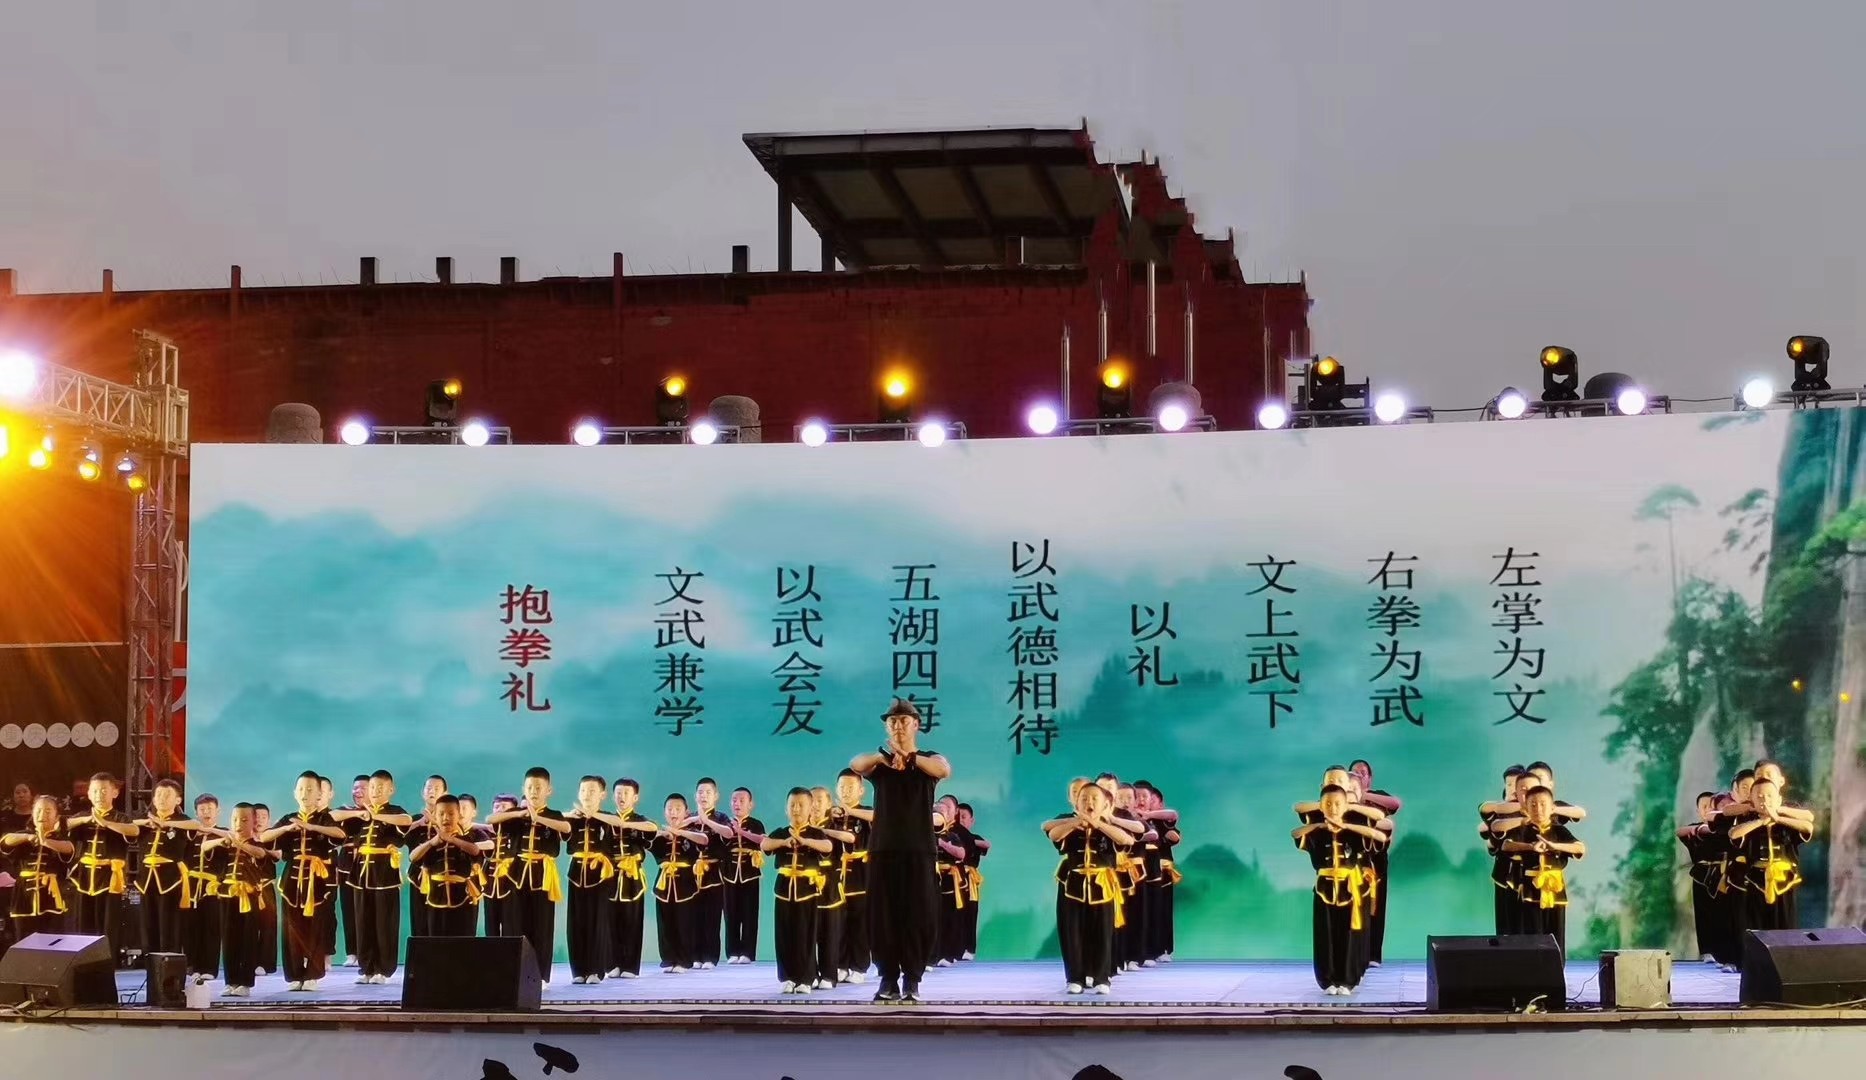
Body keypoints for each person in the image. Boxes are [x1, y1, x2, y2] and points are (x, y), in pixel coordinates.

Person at [849, 698, 952, 1004]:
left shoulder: (927, 761)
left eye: (904, 721)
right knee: (883, 916)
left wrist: (909, 756)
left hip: (920, 850)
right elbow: (856, 765)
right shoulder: (880, 765)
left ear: (916, 724)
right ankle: (888, 978)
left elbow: (943, 769)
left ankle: (912, 979)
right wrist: (884, 757)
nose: (898, 726)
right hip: (883, 849)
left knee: (918, 914)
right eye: (892, 722)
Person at [1292, 784, 1387, 996]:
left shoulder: (1354, 833)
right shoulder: (1316, 834)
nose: (1333, 808)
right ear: (1320, 806)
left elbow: (1379, 836)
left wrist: (1345, 825)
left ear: (1345, 806)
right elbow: (1295, 833)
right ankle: (1327, 979)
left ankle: (1347, 980)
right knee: (1325, 935)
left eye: (1337, 804)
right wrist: (1321, 825)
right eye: (1328, 804)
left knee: (1348, 935)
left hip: (1349, 889)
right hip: (1324, 889)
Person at [485, 768, 570, 984]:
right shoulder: (516, 815)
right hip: (516, 875)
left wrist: (538, 817)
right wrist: (520, 813)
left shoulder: (554, 815)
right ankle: (515, 973)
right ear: (523, 788)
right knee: (514, 925)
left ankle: (540, 976)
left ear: (548, 790)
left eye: (538, 787)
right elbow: (490, 818)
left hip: (543, 876)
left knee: (542, 926)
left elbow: (566, 827)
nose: (533, 791)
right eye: (530, 787)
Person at [1046, 780, 1131, 995]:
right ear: (1077, 803)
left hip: (1102, 885)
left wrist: (1098, 823)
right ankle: (1075, 978)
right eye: (1084, 799)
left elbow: (1126, 840)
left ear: (1105, 804)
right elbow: (1053, 834)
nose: (1089, 802)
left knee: (1103, 932)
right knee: (1072, 933)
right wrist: (1077, 821)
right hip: (1072, 885)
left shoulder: (1108, 828)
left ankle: (1102, 978)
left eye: (1094, 799)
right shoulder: (1070, 826)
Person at [329, 770, 413, 985]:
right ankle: (366, 968)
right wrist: (360, 814)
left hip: (384, 874)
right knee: (362, 921)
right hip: (360, 873)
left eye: (380, 787)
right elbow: (333, 816)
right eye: (372, 787)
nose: (375, 791)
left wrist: (376, 816)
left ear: (390, 790)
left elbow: (406, 820)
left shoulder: (394, 811)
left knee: (384, 923)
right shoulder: (360, 814)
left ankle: (383, 969)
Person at [264, 772, 346, 992]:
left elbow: (339, 834)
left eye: (310, 789)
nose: (304, 793)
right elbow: (264, 837)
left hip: (317, 881)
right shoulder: (289, 818)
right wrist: (286, 829)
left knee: (315, 928)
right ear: (294, 793)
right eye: (301, 789)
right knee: (292, 929)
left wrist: (311, 827)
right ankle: (294, 974)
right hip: (292, 880)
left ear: (319, 794)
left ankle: (313, 974)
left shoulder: (324, 818)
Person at [1495, 785, 1585, 955]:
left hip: (1554, 887)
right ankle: (1533, 966)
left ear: (1552, 808)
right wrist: (1530, 846)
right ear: (1526, 809)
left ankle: (1557, 966)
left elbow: (1580, 848)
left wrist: (1554, 846)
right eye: (1533, 805)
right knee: (1532, 931)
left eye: (1543, 804)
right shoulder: (1523, 829)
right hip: (1531, 886)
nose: (1538, 809)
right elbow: (1506, 845)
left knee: (1556, 932)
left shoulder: (1558, 830)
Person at [764, 787, 832, 994]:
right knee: (784, 934)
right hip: (784, 889)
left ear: (811, 808)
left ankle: (806, 978)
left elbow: (828, 846)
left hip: (807, 890)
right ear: (786, 809)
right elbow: (765, 844)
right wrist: (785, 842)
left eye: (801, 805)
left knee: (805, 934)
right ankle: (787, 977)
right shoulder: (781, 832)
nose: (796, 809)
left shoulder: (816, 833)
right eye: (792, 805)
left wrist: (804, 841)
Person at [66, 772, 140, 962]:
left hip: (110, 879)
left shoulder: (121, 817)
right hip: (84, 878)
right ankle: (83, 965)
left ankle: (107, 966)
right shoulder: (82, 816)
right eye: (95, 791)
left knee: (108, 927)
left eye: (104, 790)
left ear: (115, 793)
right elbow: (64, 824)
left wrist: (106, 823)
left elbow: (134, 830)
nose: (99, 795)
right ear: (89, 794)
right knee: (83, 926)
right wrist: (87, 820)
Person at [1729, 777, 1815, 936]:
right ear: (1752, 802)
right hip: (1755, 882)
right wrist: (1761, 822)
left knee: (1785, 929)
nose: (1765, 800)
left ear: (1779, 799)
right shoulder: (1746, 821)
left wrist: (1777, 818)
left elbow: (1808, 827)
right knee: (1756, 930)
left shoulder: (1787, 823)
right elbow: (1734, 834)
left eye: (1769, 796)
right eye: (1759, 796)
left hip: (1784, 881)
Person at [210, 803, 276, 998]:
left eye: (244, 820)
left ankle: (245, 982)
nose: (239, 823)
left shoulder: (258, 844)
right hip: (227, 895)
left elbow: (260, 854)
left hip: (249, 897)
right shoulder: (225, 845)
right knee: (229, 939)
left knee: (248, 939)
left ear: (254, 822)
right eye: (235, 819)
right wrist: (222, 840)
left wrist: (238, 843)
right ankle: (230, 981)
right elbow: (205, 848)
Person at [134, 779, 198, 956]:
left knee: (170, 926)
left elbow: (196, 825)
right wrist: (147, 822)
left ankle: (170, 969)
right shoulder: (145, 819)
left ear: (178, 800)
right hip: (146, 879)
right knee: (148, 926)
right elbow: (129, 825)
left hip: (170, 880)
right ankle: (151, 968)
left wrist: (167, 824)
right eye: (159, 795)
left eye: (167, 795)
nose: (162, 798)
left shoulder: (182, 820)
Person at [564, 776, 617, 984]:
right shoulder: (571, 819)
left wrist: (593, 814)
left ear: (602, 795)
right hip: (576, 873)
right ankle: (578, 971)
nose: (587, 794)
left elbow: (619, 826)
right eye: (583, 790)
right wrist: (569, 814)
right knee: (576, 921)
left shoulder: (608, 818)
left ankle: (596, 970)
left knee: (598, 921)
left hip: (600, 873)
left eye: (592, 791)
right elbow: (557, 825)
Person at [408, 795, 484, 939]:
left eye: (451, 814)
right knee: (436, 941)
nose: (446, 818)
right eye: (441, 814)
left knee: (462, 940)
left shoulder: (466, 838)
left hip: (462, 897)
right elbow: (413, 857)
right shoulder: (431, 842)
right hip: (435, 897)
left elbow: (475, 850)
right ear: (435, 816)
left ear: (458, 815)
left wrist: (452, 840)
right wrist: (431, 843)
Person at [649, 792, 709, 973]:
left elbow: (704, 840)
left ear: (686, 812)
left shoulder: (692, 833)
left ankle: (683, 960)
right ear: (664, 812)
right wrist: (662, 832)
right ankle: (668, 959)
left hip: (685, 883)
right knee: (665, 923)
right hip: (663, 883)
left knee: (684, 922)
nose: (673, 812)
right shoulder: (661, 835)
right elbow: (646, 840)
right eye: (669, 809)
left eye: (677, 809)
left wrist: (679, 831)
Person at [1349, 760, 1401, 967]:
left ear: (1369, 778)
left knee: (1375, 905)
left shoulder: (1377, 796)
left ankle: (1373, 954)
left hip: (1376, 857)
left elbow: (1395, 804)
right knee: (1351, 906)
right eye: (1355, 772)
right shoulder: (1343, 798)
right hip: (1352, 857)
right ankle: (1352, 953)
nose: (1359, 775)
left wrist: (1364, 795)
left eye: (1363, 773)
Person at [604, 779, 657, 979]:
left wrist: (624, 824)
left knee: (632, 922)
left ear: (635, 797)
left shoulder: (640, 820)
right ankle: (612, 964)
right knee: (611, 921)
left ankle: (630, 966)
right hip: (610, 875)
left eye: (626, 793)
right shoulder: (607, 819)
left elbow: (652, 828)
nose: (622, 797)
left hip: (632, 877)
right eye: (618, 793)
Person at [2, 795, 74, 939]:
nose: (42, 815)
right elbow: (5, 841)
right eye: (39, 811)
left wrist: (45, 841)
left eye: (48, 811)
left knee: (51, 939)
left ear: (56, 817)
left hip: (51, 894)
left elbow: (69, 849)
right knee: (23, 940)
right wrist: (28, 837)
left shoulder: (62, 837)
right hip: (23, 895)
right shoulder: (22, 836)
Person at [832, 770, 874, 982]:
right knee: (838, 922)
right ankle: (841, 964)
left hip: (860, 873)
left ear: (861, 790)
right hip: (837, 874)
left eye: (850, 787)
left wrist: (849, 811)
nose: (845, 791)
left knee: (859, 922)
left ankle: (859, 966)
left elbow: (878, 817)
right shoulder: (832, 814)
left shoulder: (866, 812)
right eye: (842, 787)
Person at [182, 793, 230, 977]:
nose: (206, 812)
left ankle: (209, 968)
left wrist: (210, 832)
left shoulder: (224, 832)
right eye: (202, 809)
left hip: (213, 886)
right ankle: (192, 965)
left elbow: (231, 839)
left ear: (218, 811)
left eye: (210, 808)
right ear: (196, 813)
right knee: (190, 926)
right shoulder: (190, 834)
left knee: (212, 927)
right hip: (191, 886)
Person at [689, 777, 734, 970]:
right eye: (700, 792)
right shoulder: (689, 817)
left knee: (712, 916)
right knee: (693, 916)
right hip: (691, 873)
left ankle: (710, 956)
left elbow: (729, 833)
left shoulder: (721, 817)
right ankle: (694, 955)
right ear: (695, 796)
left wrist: (706, 820)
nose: (704, 796)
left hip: (714, 873)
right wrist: (693, 820)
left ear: (716, 796)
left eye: (708, 792)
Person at [812, 785, 854, 989]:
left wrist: (822, 831)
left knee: (830, 934)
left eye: (820, 800)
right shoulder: (801, 827)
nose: (815, 805)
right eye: (812, 800)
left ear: (829, 804)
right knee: (808, 934)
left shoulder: (836, 825)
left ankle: (829, 975)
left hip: (830, 888)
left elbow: (850, 838)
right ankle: (810, 974)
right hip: (807, 888)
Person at [1677, 791, 1726, 962]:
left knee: (1725, 915)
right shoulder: (1694, 830)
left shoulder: (1725, 829)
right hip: (1703, 877)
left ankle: (1726, 952)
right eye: (1704, 807)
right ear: (1698, 811)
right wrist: (1702, 828)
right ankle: (1707, 951)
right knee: (1704, 914)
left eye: (1711, 806)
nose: (1708, 809)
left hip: (1725, 876)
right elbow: (1680, 832)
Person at [721, 786, 767, 965]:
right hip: (729, 872)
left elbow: (763, 841)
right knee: (730, 913)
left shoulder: (756, 824)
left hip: (750, 872)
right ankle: (732, 952)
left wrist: (741, 832)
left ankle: (747, 952)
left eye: (741, 800)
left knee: (749, 913)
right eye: (734, 800)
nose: (737, 804)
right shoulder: (725, 823)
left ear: (750, 804)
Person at [404, 775, 450, 941]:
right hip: (418, 876)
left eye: (437, 788)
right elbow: (399, 837)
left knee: (440, 923)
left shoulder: (450, 819)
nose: (432, 791)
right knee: (419, 922)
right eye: (429, 788)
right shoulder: (414, 819)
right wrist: (419, 823)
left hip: (441, 877)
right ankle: (420, 956)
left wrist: (436, 822)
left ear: (445, 793)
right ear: (422, 792)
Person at [933, 793, 972, 968]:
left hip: (949, 880)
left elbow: (961, 854)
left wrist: (943, 844)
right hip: (931, 879)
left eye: (944, 811)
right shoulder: (926, 833)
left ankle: (946, 953)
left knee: (949, 917)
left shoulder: (952, 835)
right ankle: (931, 954)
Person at [335, 774, 368, 966]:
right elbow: (333, 816)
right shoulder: (345, 811)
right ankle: (352, 952)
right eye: (355, 788)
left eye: (363, 788)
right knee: (348, 908)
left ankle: (366, 951)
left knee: (367, 910)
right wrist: (357, 814)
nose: (358, 791)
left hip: (368, 865)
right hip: (347, 865)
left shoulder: (379, 813)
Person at [482, 793, 521, 939]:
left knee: (510, 926)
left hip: (511, 883)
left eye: (504, 807)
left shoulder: (518, 830)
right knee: (490, 926)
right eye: (496, 806)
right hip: (490, 885)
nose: (499, 810)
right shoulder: (487, 831)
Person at [251, 804, 282, 975]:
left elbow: (278, 855)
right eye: (257, 816)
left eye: (264, 817)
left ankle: (266, 963)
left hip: (266, 886)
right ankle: (250, 961)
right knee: (249, 925)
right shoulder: (245, 837)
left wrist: (261, 849)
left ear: (268, 820)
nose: (260, 820)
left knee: (268, 926)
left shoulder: (272, 837)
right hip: (247, 888)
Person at [956, 802, 988, 961]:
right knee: (955, 914)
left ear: (971, 820)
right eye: (957, 817)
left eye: (963, 817)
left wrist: (968, 840)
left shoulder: (974, 838)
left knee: (970, 912)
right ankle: (954, 947)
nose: (960, 820)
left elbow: (986, 844)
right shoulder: (951, 836)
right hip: (955, 877)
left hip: (969, 877)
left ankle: (969, 948)